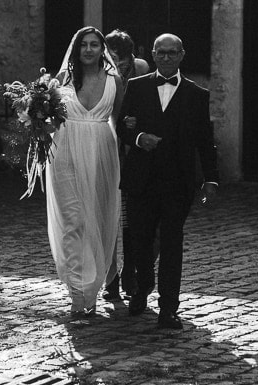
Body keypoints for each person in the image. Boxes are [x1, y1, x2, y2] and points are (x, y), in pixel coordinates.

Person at [117, 33, 219, 329]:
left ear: (182, 55)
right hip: (141, 179)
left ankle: (168, 308)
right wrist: (138, 137)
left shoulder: (197, 94)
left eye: (172, 53)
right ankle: (142, 287)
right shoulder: (136, 87)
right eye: (160, 53)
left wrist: (211, 180)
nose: (166, 58)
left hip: (178, 182)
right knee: (140, 240)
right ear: (152, 54)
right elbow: (121, 129)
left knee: (172, 243)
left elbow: (205, 142)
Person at [47, 26, 125, 318]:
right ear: (76, 49)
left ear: (101, 49)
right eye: (84, 45)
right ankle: (77, 293)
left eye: (94, 45)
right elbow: (48, 121)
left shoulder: (114, 81)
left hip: (101, 155)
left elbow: (119, 122)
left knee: (96, 219)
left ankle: (92, 288)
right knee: (74, 219)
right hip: (65, 153)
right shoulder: (63, 80)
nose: (89, 50)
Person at [102, 29, 152, 302]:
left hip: (132, 148)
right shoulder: (100, 71)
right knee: (110, 214)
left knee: (132, 216)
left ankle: (130, 270)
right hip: (108, 145)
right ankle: (110, 277)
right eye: (111, 58)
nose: (117, 65)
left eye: (121, 60)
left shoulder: (142, 68)